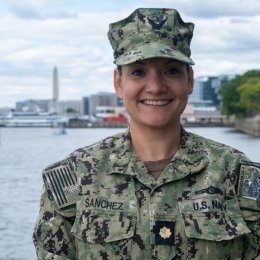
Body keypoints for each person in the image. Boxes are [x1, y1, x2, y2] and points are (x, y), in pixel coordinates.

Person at [33, 8, 260, 259]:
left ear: (190, 81)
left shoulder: (238, 175)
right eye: (138, 72)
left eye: (171, 70)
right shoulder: (74, 179)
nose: (155, 87)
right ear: (119, 84)